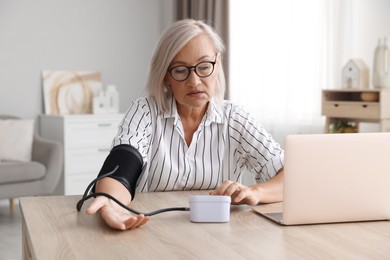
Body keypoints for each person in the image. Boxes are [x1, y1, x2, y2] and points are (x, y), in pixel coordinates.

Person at [85, 19, 284, 230]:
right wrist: (110, 201)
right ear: (165, 77)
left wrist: (255, 192)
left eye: (204, 66)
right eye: (180, 70)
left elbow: (290, 177)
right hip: (153, 231)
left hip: (220, 236)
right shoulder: (145, 111)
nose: (195, 81)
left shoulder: (235, 118)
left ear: (218, 64)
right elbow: (122, 165)